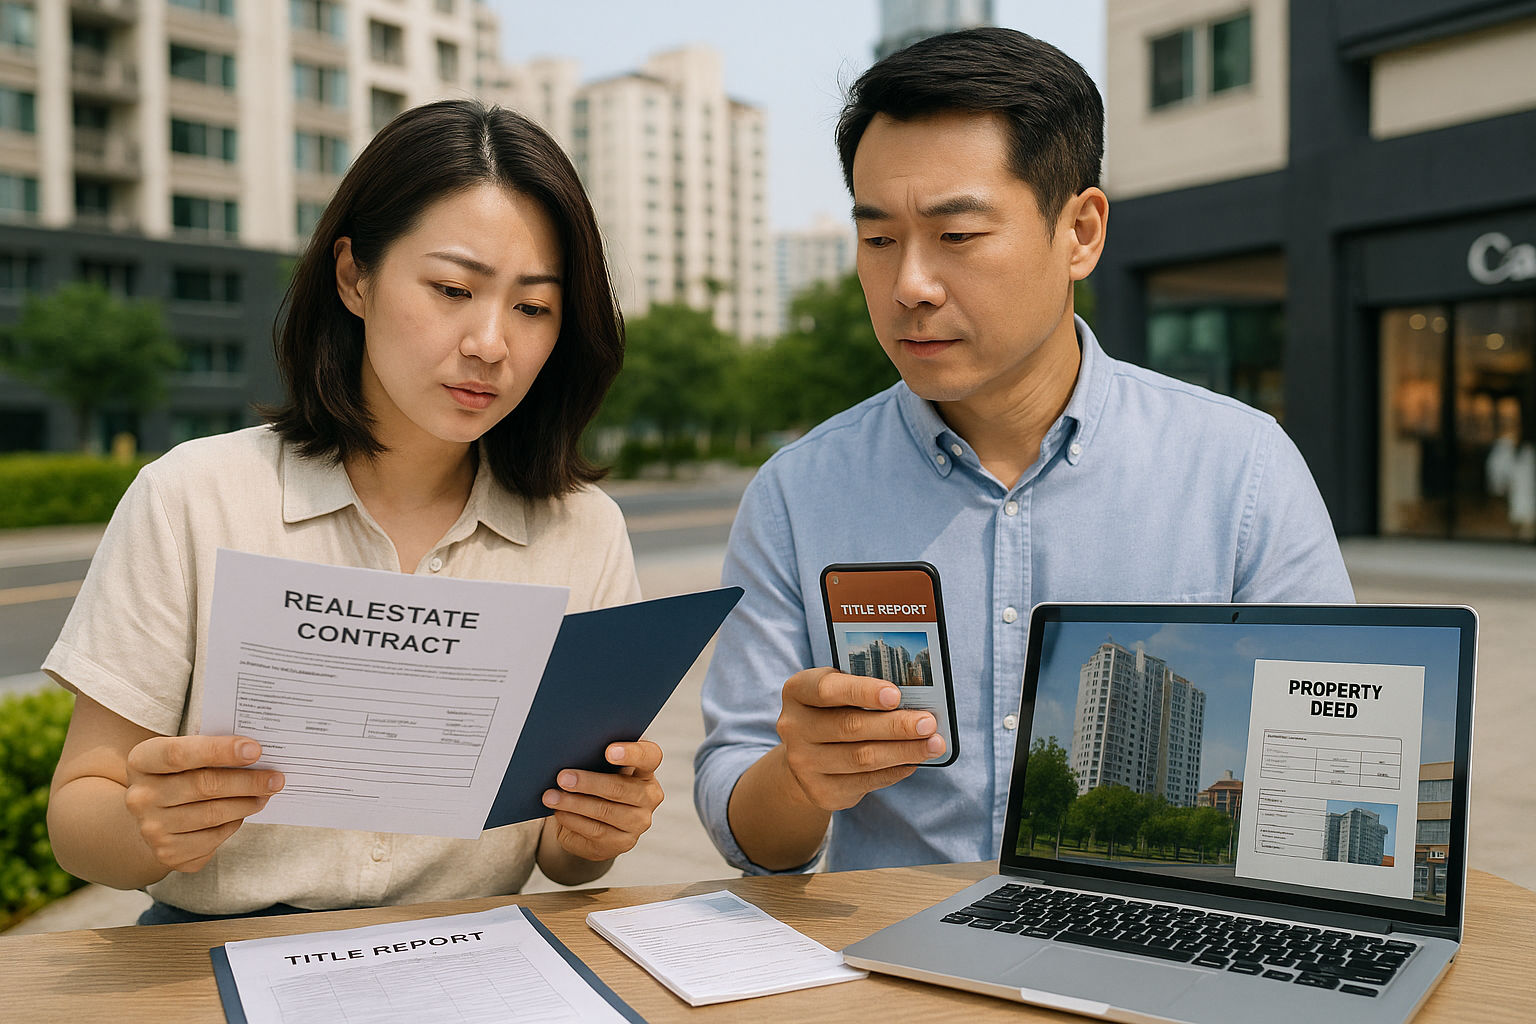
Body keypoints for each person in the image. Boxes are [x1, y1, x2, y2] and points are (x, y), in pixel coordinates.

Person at [694, 29, 1355, 876]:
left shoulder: (1242, 471)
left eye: (957, 236)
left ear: (1080, 231)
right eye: (879, 239)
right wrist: (800, 777)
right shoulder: (797, 494)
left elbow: (1336, 759)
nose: (909, 286)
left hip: (1155, 947)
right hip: (902, 971)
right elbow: (744, 823)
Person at [45, 100, 664, 924]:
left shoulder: (584, 532)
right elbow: (77, 815)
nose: (490, 342)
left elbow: (564, 858)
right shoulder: (192, 495)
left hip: (468, 957)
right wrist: (147, 825)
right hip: (209, 954)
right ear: (354, 277)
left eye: (533, 307)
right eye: (452, 288)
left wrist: (597, 831)